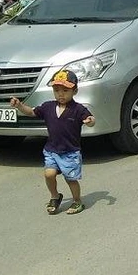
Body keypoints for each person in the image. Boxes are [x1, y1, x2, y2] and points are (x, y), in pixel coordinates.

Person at [9, 69, 95, 215]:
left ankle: (77, 201)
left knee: (71, 179)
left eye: (65, 90)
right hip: (52, 150)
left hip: (70, 152)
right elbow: (31, 112)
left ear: (75, 91)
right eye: (56, 90)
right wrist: (19, 105)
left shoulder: (78, 109)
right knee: (49, 174)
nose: (60, 94)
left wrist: (90, 121)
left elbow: (90, 120)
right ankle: (55, 196)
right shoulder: (48, 107)